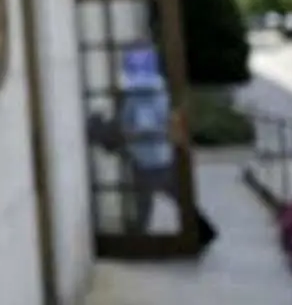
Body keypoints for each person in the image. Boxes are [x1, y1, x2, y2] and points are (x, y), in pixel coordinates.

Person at [86, 43, 218, 248]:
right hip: (159, 156)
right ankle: (202, 231)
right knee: (168, 198)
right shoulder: (158, 92)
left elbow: (138, 126)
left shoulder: (139, 96)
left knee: (147, 202)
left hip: (148, 159)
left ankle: (143, 239)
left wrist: (114, 129)